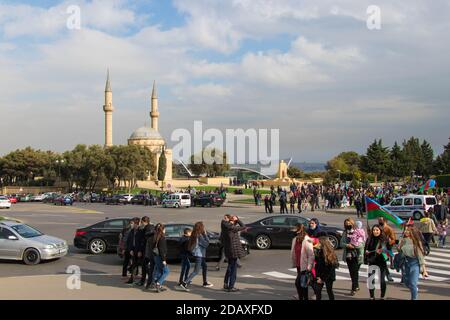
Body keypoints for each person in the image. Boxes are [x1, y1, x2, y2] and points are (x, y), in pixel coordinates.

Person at [180, 222, 213, 290]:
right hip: (199, 255)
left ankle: (205, 282)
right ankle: (185, 283)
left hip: (199, 254)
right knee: (196, 271)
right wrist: (205, 235)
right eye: (203, 227)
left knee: (205, 266)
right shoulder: (199, 235)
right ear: (201, 228)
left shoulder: (194, 234)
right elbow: (206, 244)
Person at [398, 225, 427, 300]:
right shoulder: (403, 240)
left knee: (413, 283)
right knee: (407, 283)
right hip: (406, 263)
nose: (406, 232)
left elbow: (421, 256)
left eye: (408, 230)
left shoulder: (416, 242)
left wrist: (424, 270)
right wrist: (400, 244)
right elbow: (399, 251)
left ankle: (414, 298)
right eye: (405, 230)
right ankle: (414, 289)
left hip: (415, 263)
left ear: (412, 232)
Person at [222, 214, 248, 292]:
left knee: (229, 267)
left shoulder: (224, 226)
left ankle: (226, 284)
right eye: (234, 221)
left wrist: (233, 220)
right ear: (231, 221)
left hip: (228, 249)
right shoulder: (231, 227)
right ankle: (231, 286)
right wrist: (238, 219)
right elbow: (243, 226)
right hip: (233, 250)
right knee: (233, 269)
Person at [364, 225, 390, 300]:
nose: (375, 231)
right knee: (370, 280)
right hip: (372, 261)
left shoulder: (384, 240)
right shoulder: (369, 239)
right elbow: (366, 249)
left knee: (382, 281)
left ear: (380, 231)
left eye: (377, 230)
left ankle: (382, 296)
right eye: (374, 230)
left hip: (382, 262)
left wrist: (382, 251)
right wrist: (366, 253)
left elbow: (388, 251)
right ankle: (372, 296)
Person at [340, 218, 364, 296]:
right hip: (349, 255)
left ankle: (353, 288)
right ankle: (356, 286)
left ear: (352, 223)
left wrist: (354, 245)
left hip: (357, 255)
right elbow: (341, 243)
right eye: (346, 224)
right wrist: (347, 245)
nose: (348, 225)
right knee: (352, 272)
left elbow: (362, 243)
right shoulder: (345, 233)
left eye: (349, 223)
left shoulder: (358, 231)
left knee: (354, 272)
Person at [313, 233, 339, 300]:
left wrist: (322, 279)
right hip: (320, 274)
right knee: (318, 291)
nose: (317, 243)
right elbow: (317, 263)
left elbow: (330, 268)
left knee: (329, 290)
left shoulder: (329, 253)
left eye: (319, 242)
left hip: (328, 276)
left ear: (323, 243)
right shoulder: (319, 251)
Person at [148, 223, 169, 292]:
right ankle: (158, 283)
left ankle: (156, 283)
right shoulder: (162, 238)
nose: (165, 230)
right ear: (162, 230)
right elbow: (162, 250)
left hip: (155, 256)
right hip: (160, 257)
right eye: (164, 229)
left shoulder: (155, 237)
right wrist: (164, 260)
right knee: (166, 271)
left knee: (160, 271)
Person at [136, 216, 155, 287]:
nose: (141, 223)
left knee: (146, 267)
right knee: (146, 267)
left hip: (146, 251)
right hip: (147, 251)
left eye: (141, 222)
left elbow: (143, 241)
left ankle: (148, 282)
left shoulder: (147, 229)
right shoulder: (150, 228)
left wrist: (140, 251)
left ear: (144, 222)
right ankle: (147, 281)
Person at [298, 225, 315, 300]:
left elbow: (311, 255)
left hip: (305, 266)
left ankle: (305, 297)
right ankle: (302, 297)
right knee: (302, 284)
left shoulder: (307, 240)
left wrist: (309, 267)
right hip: (299, 265)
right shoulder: (297, 239)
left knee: (302, 283)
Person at [124, 217, 142, 284]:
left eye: (133, 223)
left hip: (139, 251)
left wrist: (140, 251)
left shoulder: (141, 231)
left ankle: (150, 280)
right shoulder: (132, 231)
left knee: (143, 265)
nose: (131, 225)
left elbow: (142, 242)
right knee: (134, 264)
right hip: (133, 250)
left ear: (137, 224)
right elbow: (129, 241)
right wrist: (130, 249)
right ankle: (132, 279)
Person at [378, 217, 396, 282]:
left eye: (380, 220)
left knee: (383, 262)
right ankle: (387, 275)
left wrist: (389, 242)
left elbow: (393, 239)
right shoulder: (377, 228)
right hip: (378, 248)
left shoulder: (389, 229)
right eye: (379, 220)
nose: (379, 221)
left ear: (385, 221)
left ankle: (388, 275)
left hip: (385, 247)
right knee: (382, 263)